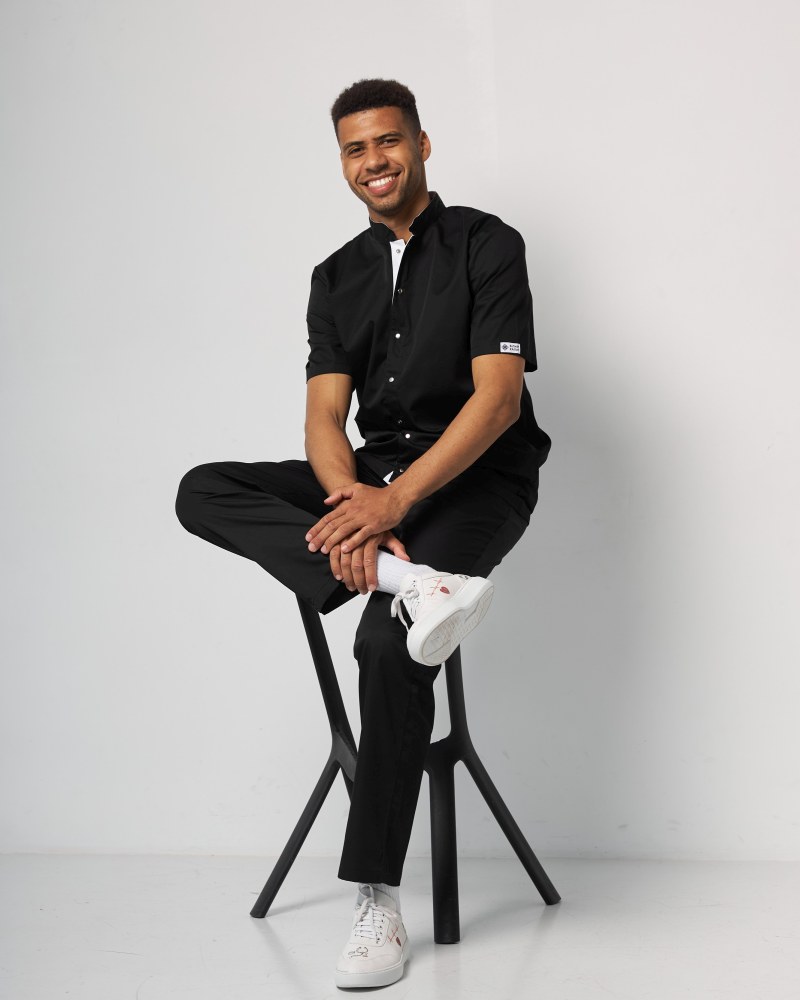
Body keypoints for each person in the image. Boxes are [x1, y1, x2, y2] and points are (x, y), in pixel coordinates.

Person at [175, 78, 550, 990]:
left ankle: (376, 898)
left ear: (422, 145)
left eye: (388, 141)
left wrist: (392, 506)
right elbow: (322, 419)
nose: (373, 161)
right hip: (372, 481)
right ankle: (407, 580)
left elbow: (499, 403)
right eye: (355, 148)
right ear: (341, 162)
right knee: (204, 489)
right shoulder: (335, 276)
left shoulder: (486, 243)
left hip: (476, 480)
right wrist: (354, 504)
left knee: (386, 647)